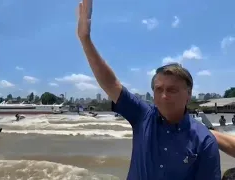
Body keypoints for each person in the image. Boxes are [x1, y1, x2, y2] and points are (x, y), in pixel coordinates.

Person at [76, 0, 221, 179]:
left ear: (189, 94)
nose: (164, 96)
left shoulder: (204, 140)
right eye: (158, 89)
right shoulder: (143, 116)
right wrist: (85, 39)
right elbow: (111, 84)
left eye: (172, 90)